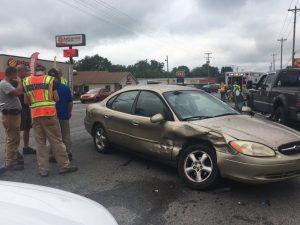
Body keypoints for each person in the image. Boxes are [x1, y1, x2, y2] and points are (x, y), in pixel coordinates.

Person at [23, 65, 78, 177]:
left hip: (36, 115)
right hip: (49, 114)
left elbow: (26, 102)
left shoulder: (27, 81)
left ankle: (43, 170)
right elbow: (56, 98)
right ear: (44, 71)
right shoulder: (49, 80)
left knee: (40, 144)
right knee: (56, 141)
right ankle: (64, 166)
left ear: (35, 71)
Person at [0, 67, 24, 170]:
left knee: (13, 137)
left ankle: (13, 158)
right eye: (16, 74)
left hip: (13, 114)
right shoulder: (4, 83)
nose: (17, 76)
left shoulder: (6, 83)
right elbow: (17, 92)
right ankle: (10, 163)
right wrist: (19, 82)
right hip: (10, 115)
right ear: (12, 74)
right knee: (12, 138)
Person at [48, 68, 73, 162]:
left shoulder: (47, 88)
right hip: (63, 115)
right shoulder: (65, 87)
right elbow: (70, 102)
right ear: (58, 76)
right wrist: (69, 112)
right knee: (65, 136)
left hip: (52, 116)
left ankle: (55, 155)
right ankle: (68, 153)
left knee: (54, 137)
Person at [16, 65, 36, 155]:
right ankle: (14, 151)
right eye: (25, 71)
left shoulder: (26, 81)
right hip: (19, 108)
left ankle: (26, 147)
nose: (26, 72)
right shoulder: (15, 81)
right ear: (20, 71)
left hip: (26, 107)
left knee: (27, 128)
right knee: (17, 130)